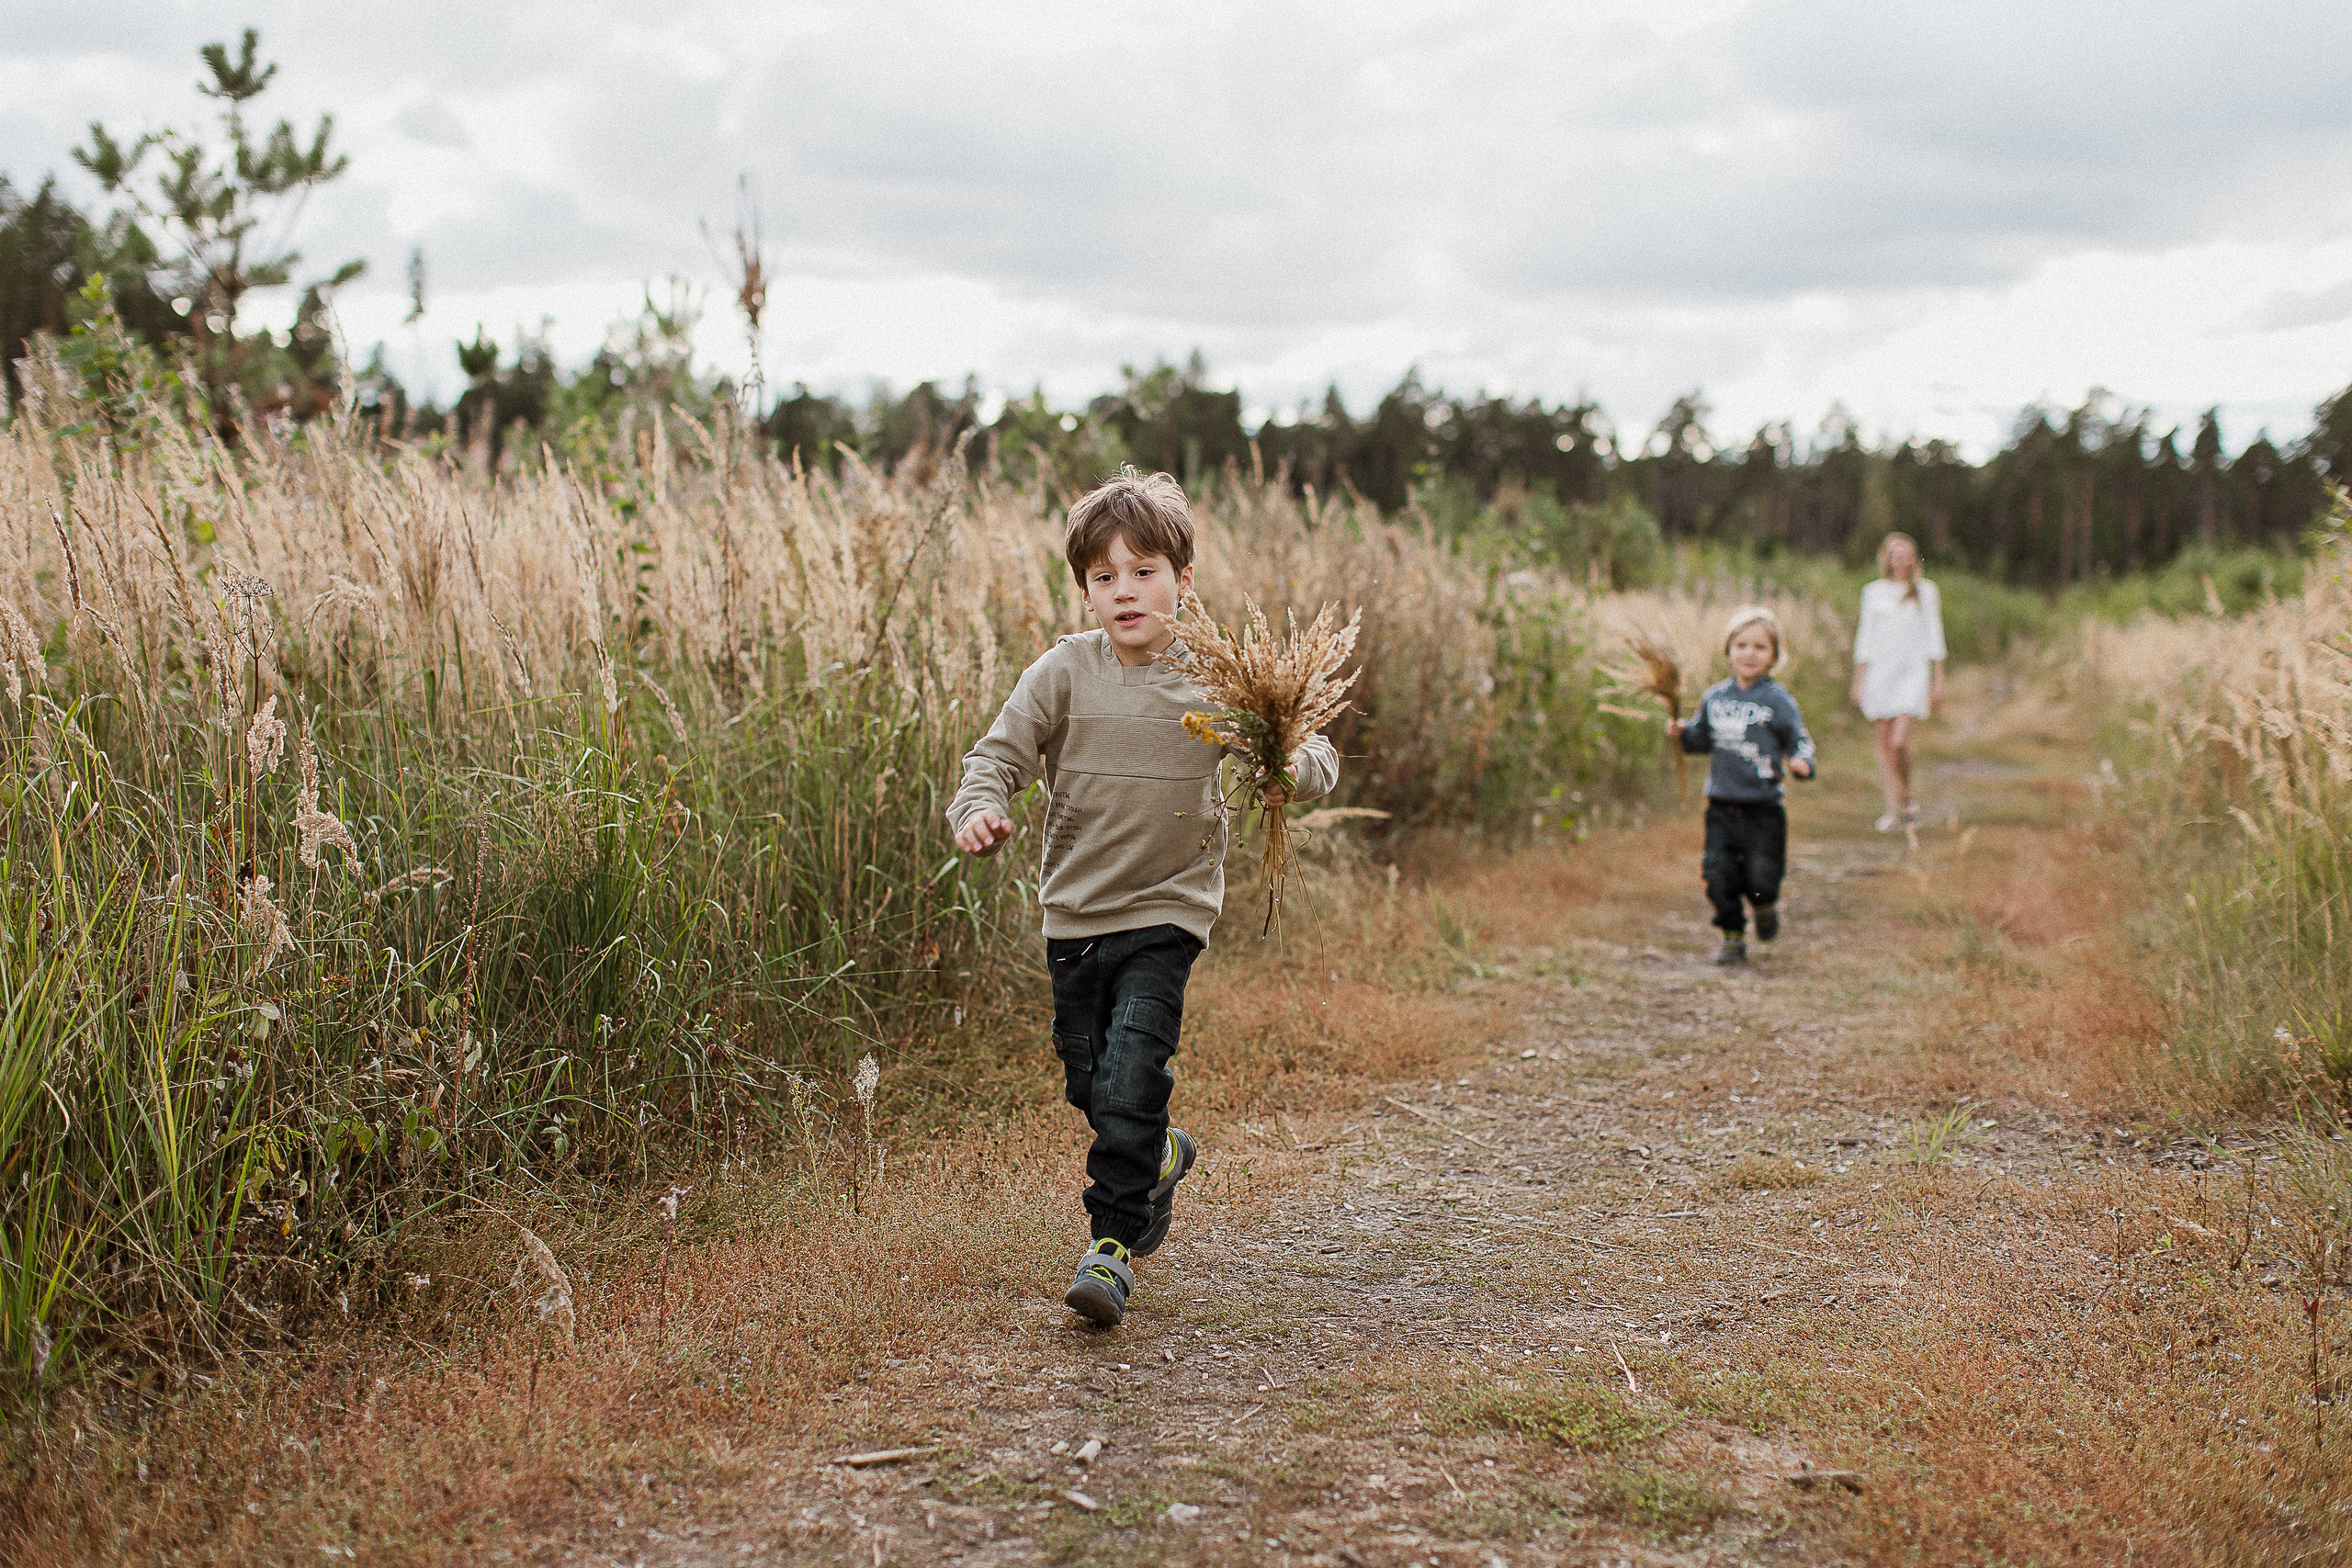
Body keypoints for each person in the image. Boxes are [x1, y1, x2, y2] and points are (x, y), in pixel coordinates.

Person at [947, 468, 1340, 1328]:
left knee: (1131, 1074)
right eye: (1103, 576)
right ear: (1085, 588)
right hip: (1076, 914)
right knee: (1092, 1082)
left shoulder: (1216, 678)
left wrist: (1285, 773)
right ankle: (1159, 1151)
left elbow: (1308, 748)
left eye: (1145, 569)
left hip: (1168, 910)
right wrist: (979, 807)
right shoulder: (1062, 671)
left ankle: (1112, 1246)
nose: (1124, 589)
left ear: (1184, 581)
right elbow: (998, 757)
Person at [1668, 606, 1816, 966]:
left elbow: (1800, 740)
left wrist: (1802, 763)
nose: (1749, 653)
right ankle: (1732, 934)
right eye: (1741, 645)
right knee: (1717, 873)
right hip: (1721, 805)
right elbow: (1701, 740)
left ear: (1774, 657)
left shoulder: (1778, 700)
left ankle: (1764, 907)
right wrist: (1682, 733)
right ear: (1728, 651)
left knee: (1762, 876)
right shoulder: (1715, 698)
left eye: (1760, 647)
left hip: (1763, 808)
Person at [1850, 532, 1947, 832]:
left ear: (1914, 558)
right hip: (1880, 673)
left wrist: (1938, 681)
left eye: (1906, 554)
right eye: (1895, 554)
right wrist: (1859, 680)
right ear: (1887, 558)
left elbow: (1935, 636)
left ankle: (1907, 793)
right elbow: (1865, 638)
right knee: (1883, 743)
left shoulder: (1926, 591)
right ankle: (1893, 807)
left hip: (1913, 672)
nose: (1900, 559)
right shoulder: (1873, 592)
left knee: (1899, 741)